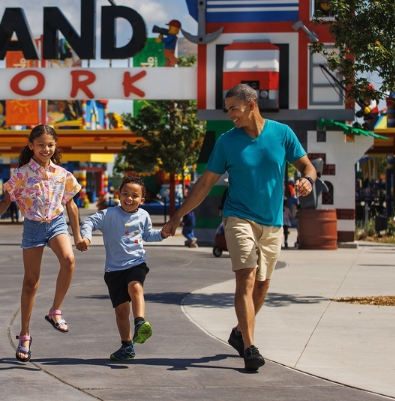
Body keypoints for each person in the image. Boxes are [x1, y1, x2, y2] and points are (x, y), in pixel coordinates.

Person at [163, 84, 316, 371]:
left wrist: (308, 179)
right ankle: (250, 347)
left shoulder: (282, 134)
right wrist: (178, 216)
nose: (230, 114)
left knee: (262, 285)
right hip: (238, 217)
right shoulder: (226, 141)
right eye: (228, 109)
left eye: (234, 108)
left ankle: (237, 333)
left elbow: (307, 166)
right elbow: (205, 184)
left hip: (272, 221)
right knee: (246, 277)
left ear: (251, 105)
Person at [0, 125, 83, 363]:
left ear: (55, 146)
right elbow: (6, 200)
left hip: (56, 223)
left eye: (50, 145)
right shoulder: (20, 174)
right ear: (31, 146)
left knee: (69, 259)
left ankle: (55, 311)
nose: (46, 149)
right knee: (31, 282)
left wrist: (78, 235)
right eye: (41, 144)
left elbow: (71, 205)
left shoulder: (63, 174)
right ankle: (25, 335)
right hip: (32, 226)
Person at [80, 175, 171, 361]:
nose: (129, 198)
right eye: (125, 194)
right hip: (113, 270)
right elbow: (89, 222)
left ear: (142, 200)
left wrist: (162, 233)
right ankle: (127, 346)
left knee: (135, 286)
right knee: (121, 310)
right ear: (118, 195)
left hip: (136, 262)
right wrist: (86, 237)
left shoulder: (143, 215)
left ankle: (140, 323)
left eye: (135, 195)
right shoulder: (108, 214)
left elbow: (148, 235)